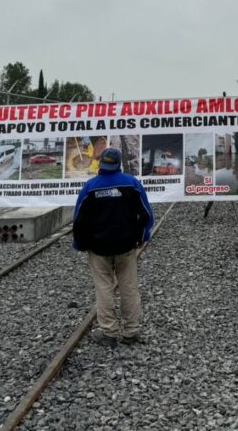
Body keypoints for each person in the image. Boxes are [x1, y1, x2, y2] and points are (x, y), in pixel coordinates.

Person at [73, 147, 154, 347]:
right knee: (129, 288)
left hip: (98, 248)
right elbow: (146, 214)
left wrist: (79, 243)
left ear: (101, 164)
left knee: (104, 288)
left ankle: (108, 332)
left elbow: (79, 219)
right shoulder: (132, 184)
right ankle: (131, 331)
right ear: (119, 164)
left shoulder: (90, 187)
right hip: (126, 246)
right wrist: (143, 236)